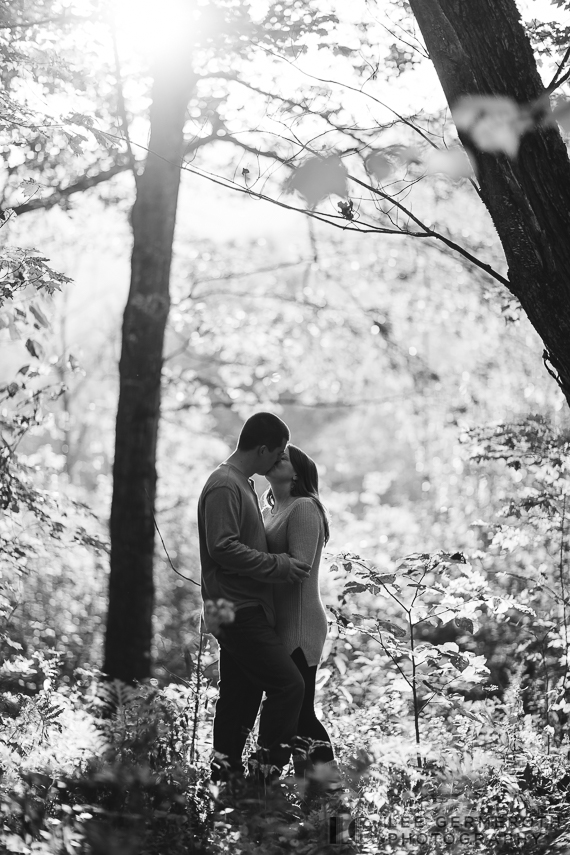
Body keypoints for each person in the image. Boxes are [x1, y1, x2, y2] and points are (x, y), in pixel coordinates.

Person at [197, 412, 311, 784]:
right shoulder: (225, 485)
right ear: (262, 448)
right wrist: (279, 565)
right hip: (234, 608)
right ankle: (264, 777)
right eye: (277, 454)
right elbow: (223, 547)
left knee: (239, 699)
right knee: (288, 685)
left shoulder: (240, 483)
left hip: (238, 606)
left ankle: (225, 784)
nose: (279, 461)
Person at [263, 444, 337, 788]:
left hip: (302, 623)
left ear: (296, 473)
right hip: (280, 623)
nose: (276, 457)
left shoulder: (304, 507)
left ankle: (336, 814)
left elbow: (300, 570)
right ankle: (312, 801)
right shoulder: (273, 510)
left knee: (302, 714)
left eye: (284, 457)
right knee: (294, 715)